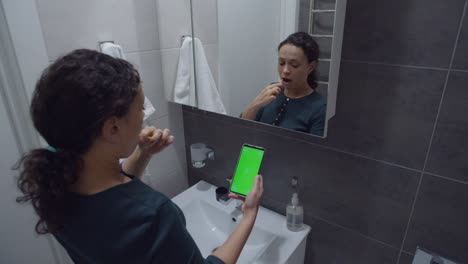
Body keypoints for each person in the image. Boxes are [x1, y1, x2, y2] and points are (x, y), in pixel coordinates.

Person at [15, 49, 263, 264]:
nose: (144, 116)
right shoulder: (153, 214)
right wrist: (248, 216)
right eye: (141, 107)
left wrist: (143, 153)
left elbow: (111, 194)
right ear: (112, 128)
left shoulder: (55, 180)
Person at [241, 32, 326, 136]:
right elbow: (239, 130)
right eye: (281, 63)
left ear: (310, 67)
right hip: (254, 151)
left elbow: (315, 151)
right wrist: (255, 104)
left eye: (294, 65)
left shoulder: (320, 108)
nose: (285, 70)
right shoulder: (271, 91)